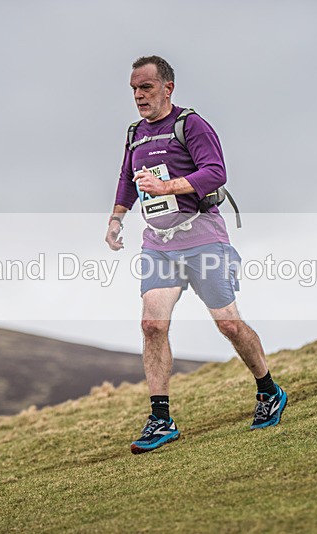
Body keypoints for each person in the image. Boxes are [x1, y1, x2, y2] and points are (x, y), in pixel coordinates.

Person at [104, 55, 287, 454]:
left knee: (228, 325)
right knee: (152, 325)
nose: (138, 95)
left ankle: (269, 391)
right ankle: (161, 419)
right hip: (159, 244)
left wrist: (167, 188)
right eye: (134, 89)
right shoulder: (135, 133)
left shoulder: (191, 124)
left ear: (168, 87)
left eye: (146, 87)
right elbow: (126, 178)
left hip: (203, 237)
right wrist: (117, 217)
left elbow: (216, 172)